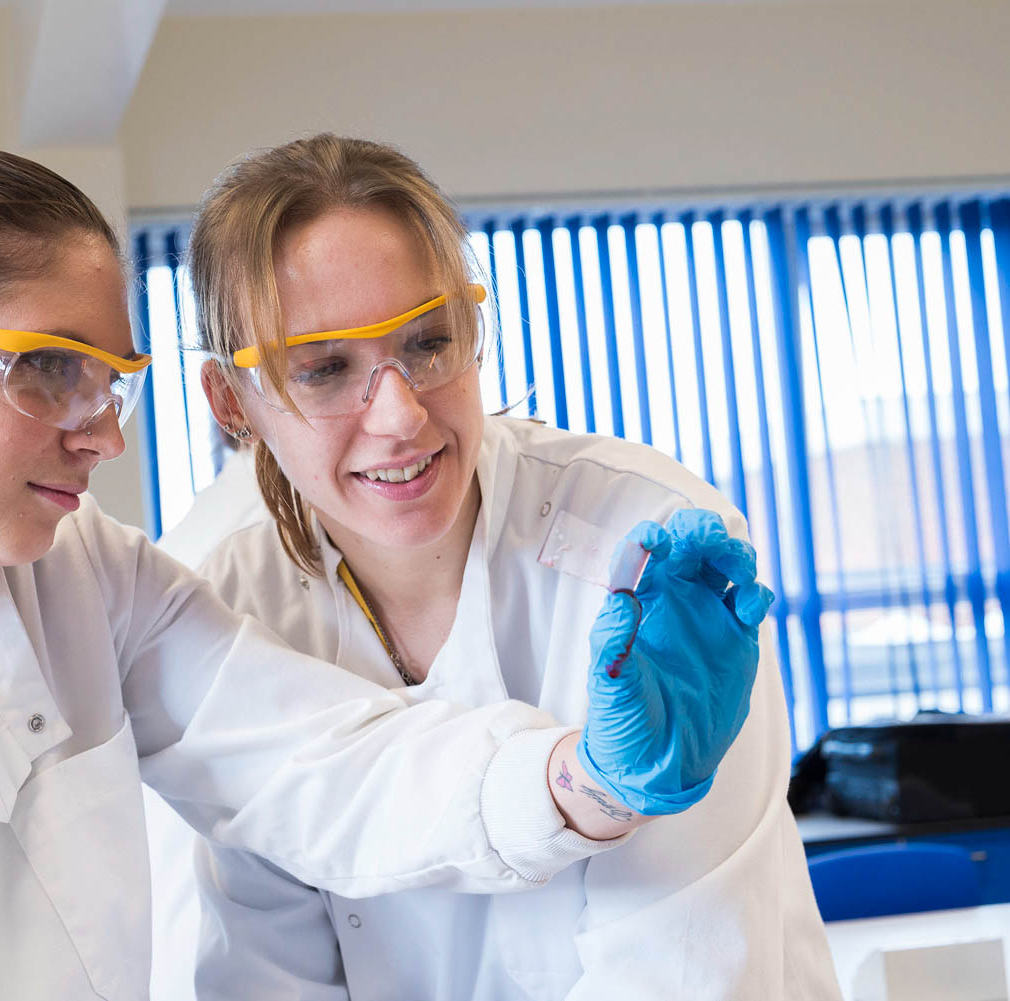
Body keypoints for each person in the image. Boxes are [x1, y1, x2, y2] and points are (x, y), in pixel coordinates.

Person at [0, 108, 757, 1001]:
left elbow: (324, 762)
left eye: (112, 381)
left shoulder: (83, 580)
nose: (103, 433)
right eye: (45, 368)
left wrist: (586, 778)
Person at [184, 134, 841, 999]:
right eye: (326, 368)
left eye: (428, 341)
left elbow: (678, 966)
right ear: (233, 402)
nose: (401, 415)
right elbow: (267, 967)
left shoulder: (647, 548)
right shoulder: (229, 615)